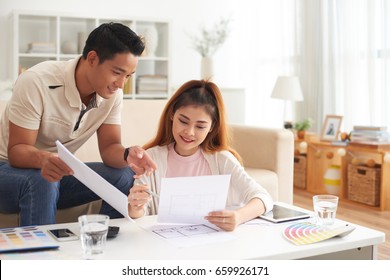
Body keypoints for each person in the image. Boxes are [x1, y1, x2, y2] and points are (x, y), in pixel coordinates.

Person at [0, 22, 157, 226]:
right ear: (92, 58)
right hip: (9, 172)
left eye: (128, 76)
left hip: (55, 176)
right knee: (44, 179)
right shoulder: (36, 81)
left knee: (123, 175)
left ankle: (104, 245)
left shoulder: (112, 94)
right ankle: (42, 256)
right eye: (117, 72)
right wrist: (45, 159)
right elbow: (17, 151)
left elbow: (110, 148)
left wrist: (128, 154)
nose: (121, 84)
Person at [127, 80, 273, 231]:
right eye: (183, 121)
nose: (189, 132)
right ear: (172, 115)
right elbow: (140, 213)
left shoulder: (221, 159)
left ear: (212, 127)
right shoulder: (151, 158)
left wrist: (238, 217)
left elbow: (263, 197)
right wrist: (135, 207)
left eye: (200, 126)